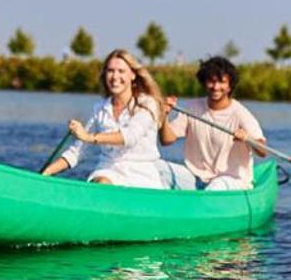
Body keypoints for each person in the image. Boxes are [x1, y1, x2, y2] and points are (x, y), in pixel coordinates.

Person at [42, 49, 192, 187]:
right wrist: (46, 173)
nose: (115, 77)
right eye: (110, 71)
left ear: (133, 75)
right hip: (108, 171)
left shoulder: (148, 104)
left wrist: (89, 137)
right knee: (102, 183)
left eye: (121, 71)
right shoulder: (99, 108)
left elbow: (130, 136)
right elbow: (77, 152)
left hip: (141, 175)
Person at [161, 56, 268, 190]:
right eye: (211, 81)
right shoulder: (192, 108)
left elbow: (263, 151)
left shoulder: (241, 113)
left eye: (222, 82)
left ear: (229, 86)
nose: (216, 87)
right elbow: (166, 140)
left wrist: (248, 139)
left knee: (215, 187)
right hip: (196, 178)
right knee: (158, 168)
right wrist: (164, 115)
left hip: (230, 179)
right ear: (204, 83)